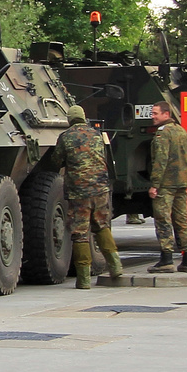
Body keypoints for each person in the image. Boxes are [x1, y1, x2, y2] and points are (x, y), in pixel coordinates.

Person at [53, 105, 124, 288]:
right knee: (101, 226)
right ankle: (115, 265)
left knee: (80, 233)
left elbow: (56, 160)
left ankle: (84, 279)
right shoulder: (96, 135)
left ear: (70, 119)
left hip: (79, 193)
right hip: (100, 189)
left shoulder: (66, 137)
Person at [147, 99, 187, 273]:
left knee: (163, 220)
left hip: (166, 184)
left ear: (166, 114)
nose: (153, 117)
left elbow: (160, 160)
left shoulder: (163, 134)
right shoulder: (182, 131)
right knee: (181, 220)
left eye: (155, 114)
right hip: (181, 183)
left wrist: (155, 184)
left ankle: (166, 259)